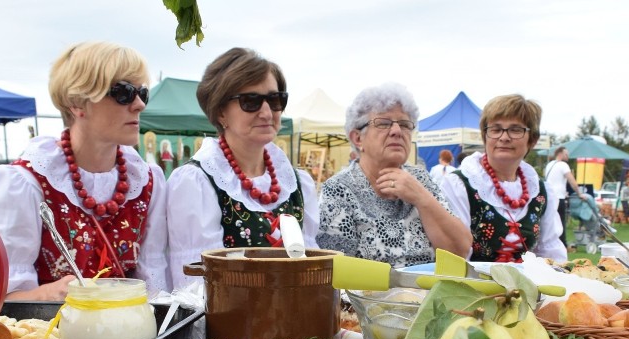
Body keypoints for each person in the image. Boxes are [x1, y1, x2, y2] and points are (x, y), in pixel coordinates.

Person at [0, 41, 169, 300]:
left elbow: (154, 286)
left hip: (130, 335)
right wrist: (47, 294)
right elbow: (2, 301)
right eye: (123, 92)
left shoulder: (146, 182)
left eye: (142, 93)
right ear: (77, 103)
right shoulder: (26, 182)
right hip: (53, 336)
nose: (139, 105)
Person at [164, 47, 319, 289]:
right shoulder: (198, 182)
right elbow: (195, 285)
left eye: (275, 100)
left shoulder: (296, 183)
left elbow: (312, 268)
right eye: (251, 102)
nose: (267, 112)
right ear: (220, 112)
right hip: (231, 321)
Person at [316, 83, 471, 267]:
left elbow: (460, 250)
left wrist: (421, 197)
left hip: (429, 293)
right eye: (383, 123)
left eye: (405, 124)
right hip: (368, 295)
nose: (397, 131)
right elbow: (335, 269)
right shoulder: (339, 189)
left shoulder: (421, 180)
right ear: (358, 138)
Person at [440, 94, 566, 262]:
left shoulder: (542, 192)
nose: (504, 137)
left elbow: (551, 252)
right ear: (485, 136)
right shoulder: (459, 184)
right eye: (496, 129)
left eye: (515, 130)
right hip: (474, 285)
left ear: (532, 140)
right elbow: (456, 254)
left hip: (529, 286)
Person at [544, 146, 589, 248]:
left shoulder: (549, 165)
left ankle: (550, 243)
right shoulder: (563, 165)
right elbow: (572, 181)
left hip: (549, 197)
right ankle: (563, 244)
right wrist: (579, 193)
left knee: (551, 222)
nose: (568, 156)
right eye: (566, 154)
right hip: (559, 198)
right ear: (560, 154)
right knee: (561, 222)